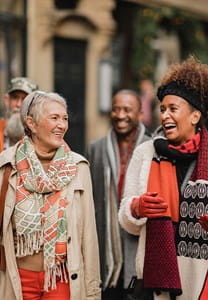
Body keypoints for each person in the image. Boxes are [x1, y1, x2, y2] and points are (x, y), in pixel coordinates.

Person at [118, 56, 208, 300]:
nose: (165, 116)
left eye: (173, 109)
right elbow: (125, 218)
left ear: (194, 116)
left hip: (206, 278)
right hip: (156, 281)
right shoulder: (145, 153)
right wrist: (136, 208)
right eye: (162, 109)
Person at [0, 91, 101, 299]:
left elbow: (88, 236)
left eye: (64, 118)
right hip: (17, 278)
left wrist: (93, 292)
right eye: (54, 118)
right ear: (32, 124)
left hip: (61, 278)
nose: (62, 125)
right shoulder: (6, 164)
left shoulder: (78, 167)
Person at [86, 89, 150, 299]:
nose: (120, 115)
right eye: (116, 109)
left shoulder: (153, 148)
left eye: (127, 109)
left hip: (141, 249)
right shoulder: (95, 149)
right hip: (105, 250)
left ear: (140, 114)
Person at [1, 77, 38, 150]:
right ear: (7, 100)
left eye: (25, 99)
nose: (18, 104)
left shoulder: (39, 135)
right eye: (15, 98)